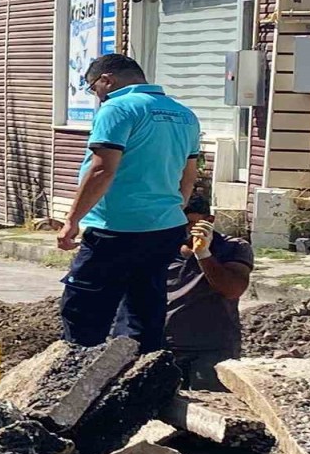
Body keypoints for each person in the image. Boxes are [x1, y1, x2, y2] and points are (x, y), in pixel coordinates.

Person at [56, 55, 201, 354]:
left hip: (116, 228)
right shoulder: (184, 114)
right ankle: (140, 372)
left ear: (106, 80)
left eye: (93, 88)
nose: (96, 95)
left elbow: (101, 170)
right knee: (144, 309)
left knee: (84, 310)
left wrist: (72, 220)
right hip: (165, 228)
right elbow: (189, 175)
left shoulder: (118, 108)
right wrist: (175, 208)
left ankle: (79, 371)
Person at [165, 196, 253, 391]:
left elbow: (233, 289)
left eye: (190, 223)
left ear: (209, 220)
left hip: (211, 350)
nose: (184, 229)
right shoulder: (163, 247)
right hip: (165, 346)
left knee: (214, 403)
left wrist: (204, 254)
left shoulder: (232, 248)